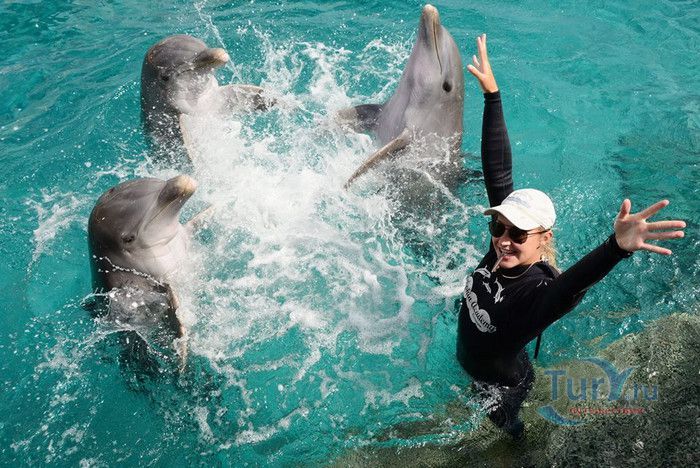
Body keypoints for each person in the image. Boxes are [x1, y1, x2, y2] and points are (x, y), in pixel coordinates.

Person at [457, 34, 686, 439]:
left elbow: (569, 287)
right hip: (475, 360)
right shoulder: (503, 250)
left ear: (542, 238)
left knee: (507, 439)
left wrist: (615, 248)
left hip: (500, 390)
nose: (504, 240)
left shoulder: (534, 294)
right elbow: (499, 173)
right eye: (498, 227)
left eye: (518, 233)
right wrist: (492, 96)